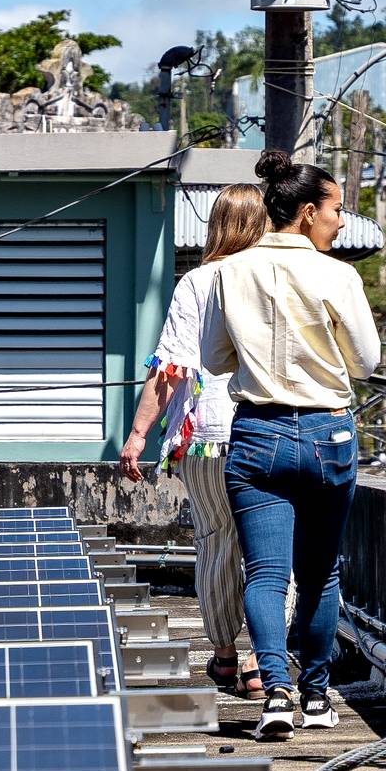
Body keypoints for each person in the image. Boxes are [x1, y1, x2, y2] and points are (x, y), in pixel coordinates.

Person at [212, 148, 381, 740]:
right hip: (326, 432)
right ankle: (315, 695)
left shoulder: (230, 271)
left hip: (257, 432)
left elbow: (212, 357)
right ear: (308, 213)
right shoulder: (338, 275)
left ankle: (275, 693)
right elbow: (366, 361)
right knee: (320, 575)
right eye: (337, 209)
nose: (342, 219)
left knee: (263, 573)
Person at [119, 183, 269, 696]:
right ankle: (259, 658)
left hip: (205, 438)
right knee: (272, 553)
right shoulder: (279, 278)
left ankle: (225, 657)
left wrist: (138, 434)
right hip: (271, 430)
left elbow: (169, 372)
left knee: (215, 543)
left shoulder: (197, 283)